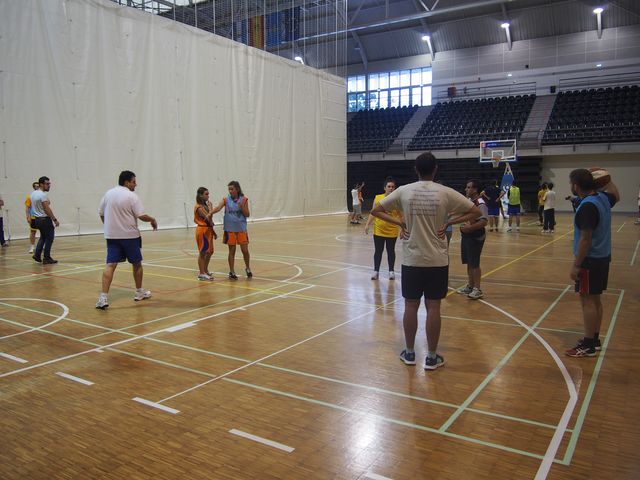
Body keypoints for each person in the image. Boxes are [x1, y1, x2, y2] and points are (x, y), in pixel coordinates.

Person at [371, 152, 482, 370]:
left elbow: (376, 210)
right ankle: (431, 356)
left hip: (412, 259)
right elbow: (475, 211)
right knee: (433, 307)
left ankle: (410, 353)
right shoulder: (446, 192)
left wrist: (400, 224)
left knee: (411, 306)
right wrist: (451, 220)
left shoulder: (404, 191)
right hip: (437, 260)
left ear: (415, 169)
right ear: (436, 169)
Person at [566, 169, 619, 357]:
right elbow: (616, 195)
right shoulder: (603, 198)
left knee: (587, 300)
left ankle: (588, 344)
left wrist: (576, 264)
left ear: (576, 186)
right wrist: (606, 177)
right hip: (603, 257)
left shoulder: (587, 206)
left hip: (590, 260)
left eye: (571, 183)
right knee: (595, 300)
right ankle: (594, 340)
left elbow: (585, 240)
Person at [95, 170, 157, 309]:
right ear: (127, 182)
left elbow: (101, 212)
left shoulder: (108, 194)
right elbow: (141, 215)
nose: (136, 184)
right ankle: (139, 292)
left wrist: (108, 226)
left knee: (110, 265)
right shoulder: (131, 196)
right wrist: (152, 219)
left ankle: (103, 298)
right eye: (134, 181)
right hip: (130, 236)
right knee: (137, 264)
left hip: (112, 236)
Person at [211, 181, 251, 280]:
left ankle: (248, 268)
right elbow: (218, 208)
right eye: (229, 189)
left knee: (245, 250)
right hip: (230, 229)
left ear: (237, 189)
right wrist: (210, 212)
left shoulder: (244, 200)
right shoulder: (226, 199)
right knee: (231, 251)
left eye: (232, 189)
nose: (230, 191)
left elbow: (247, 214)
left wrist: (242, 208)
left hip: (241, 228)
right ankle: (232, 271)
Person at [364, 177, 401, 280]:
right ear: (385, 188)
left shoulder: (397, 200)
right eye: (389, 186)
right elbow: (373, 213)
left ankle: (391, 271)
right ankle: (376, 271)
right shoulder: (378, 198)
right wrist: (367, 224)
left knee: (391, 251)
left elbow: (401, 216)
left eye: (393, 187)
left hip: (392, 230)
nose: (391, 188)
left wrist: (403, 229)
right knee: (378, 251)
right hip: (379, 229)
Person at [457, 179, 488, 300]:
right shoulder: (469, 202)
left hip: (475, 236)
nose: (466, 189)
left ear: (475, 189)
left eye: (468, 187)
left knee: (474, 263)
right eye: (466, 187)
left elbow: (484, 221)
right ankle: (470, 286)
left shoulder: (480, 203)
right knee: (469, 262)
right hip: (467, 236)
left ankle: (477, 289)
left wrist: (470, 228)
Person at [30, 176, 60, 264]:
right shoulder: (42, 195)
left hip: (37, 219)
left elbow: (47, 203)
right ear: (41, 184)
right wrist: (54, 219)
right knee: (49, 238)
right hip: (44, 219)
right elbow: (47, 208)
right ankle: (47, 257)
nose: (49, 185)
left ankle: (37, 255)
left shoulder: (33, 193)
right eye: (47, 184)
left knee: (43, 237)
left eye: (49, 183)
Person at [194, 187, 217, 281]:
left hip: (208, 230)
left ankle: (205, 270)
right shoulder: (198, 207)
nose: (208, 196)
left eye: (208, 194)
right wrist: (211, 208)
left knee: (210, 251)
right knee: (203, 252)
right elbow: (207, 219)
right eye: (206, 194)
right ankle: (201, 273)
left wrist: (213, 232)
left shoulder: (205, 206)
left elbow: (210, 221)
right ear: (200, 195)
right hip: (202, 231)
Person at [25, 182, 39, 253]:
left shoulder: (42, 195)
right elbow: (27, 208)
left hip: (41, 217)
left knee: (44, 232)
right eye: (36, 186)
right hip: (33, 217)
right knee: (33, 232)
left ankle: (41, 246)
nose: (37, 187)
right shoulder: (29, 196)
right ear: (33, 187)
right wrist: (28, 217)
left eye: (38, 186)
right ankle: (32, 246)